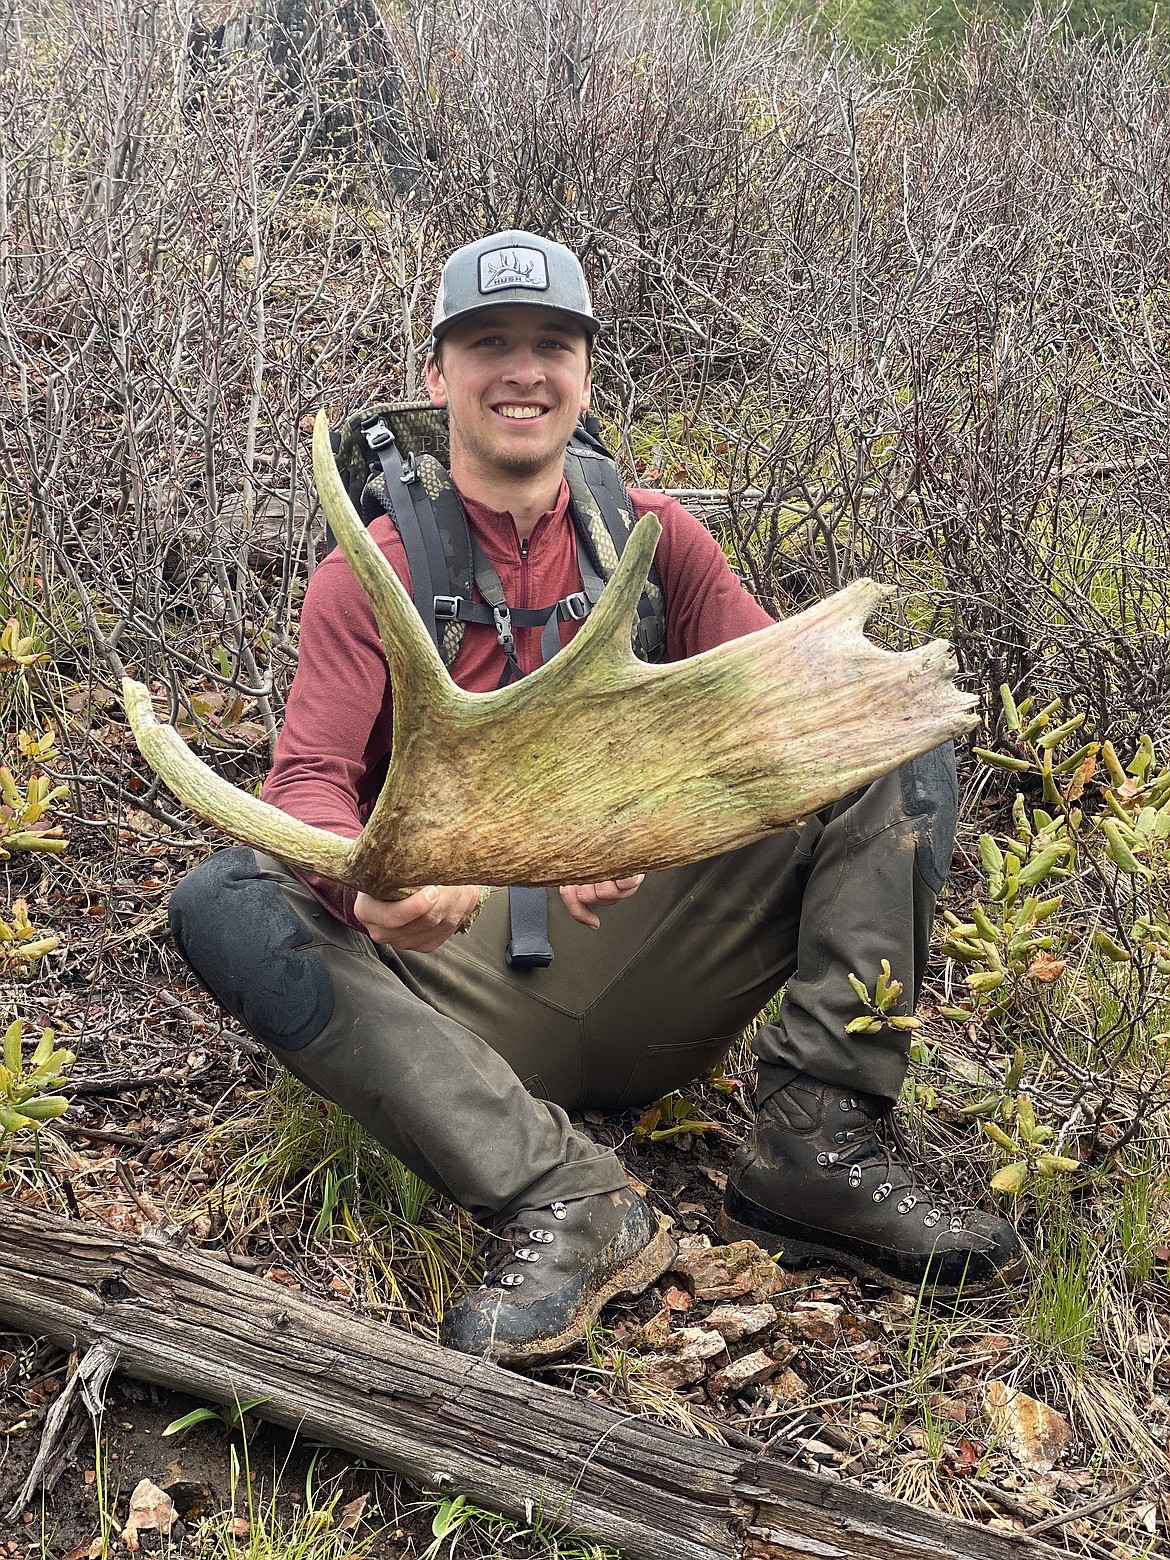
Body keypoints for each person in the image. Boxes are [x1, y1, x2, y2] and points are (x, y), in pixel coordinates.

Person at [170, 231, 1020, 1367]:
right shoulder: (368, 571)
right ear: (438, 376)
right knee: (225, 897)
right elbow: (311, 780)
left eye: (549, 345)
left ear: (584, 370)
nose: (521, 370)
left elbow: (779, 717)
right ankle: (565, 1200)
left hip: (650, 957)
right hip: (457, 996)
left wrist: (657, 809)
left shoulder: (654, 540)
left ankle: (817, 1145)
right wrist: (375, 882)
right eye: (488, 344)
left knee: (885, 746)